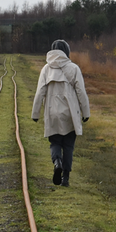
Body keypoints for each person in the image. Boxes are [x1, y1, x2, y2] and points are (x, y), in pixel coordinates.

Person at [31, 39, 90, 187]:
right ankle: (66, 178)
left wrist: (35, 114)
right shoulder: (74, 68)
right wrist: (86, 112)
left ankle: (57, 162)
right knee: (68, 145)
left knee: (55, 142)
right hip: (70, 113)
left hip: (52, 113)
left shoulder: (46, 69)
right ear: (67, 51)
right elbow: (81, 92)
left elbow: (39, 93)